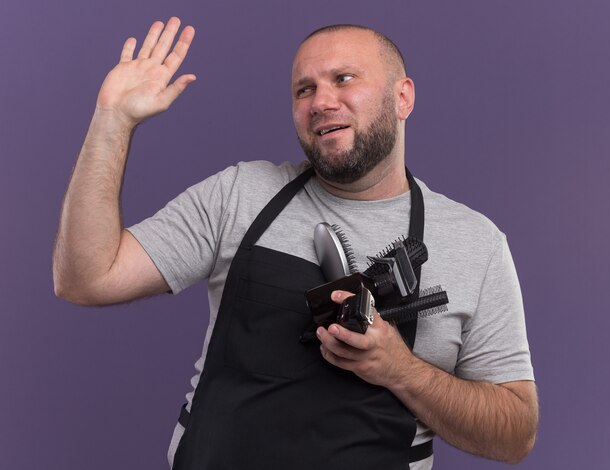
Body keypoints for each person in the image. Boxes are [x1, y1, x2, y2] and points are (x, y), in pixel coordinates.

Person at [53, 17, 538, 470]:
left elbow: (514, 434)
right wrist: (111, 120)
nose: (321, 101)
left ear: (403, 97)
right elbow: (86, 279)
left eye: (344, 79)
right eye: (304, 89)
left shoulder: (476, 244)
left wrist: (400, 370)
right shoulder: (240, 195)